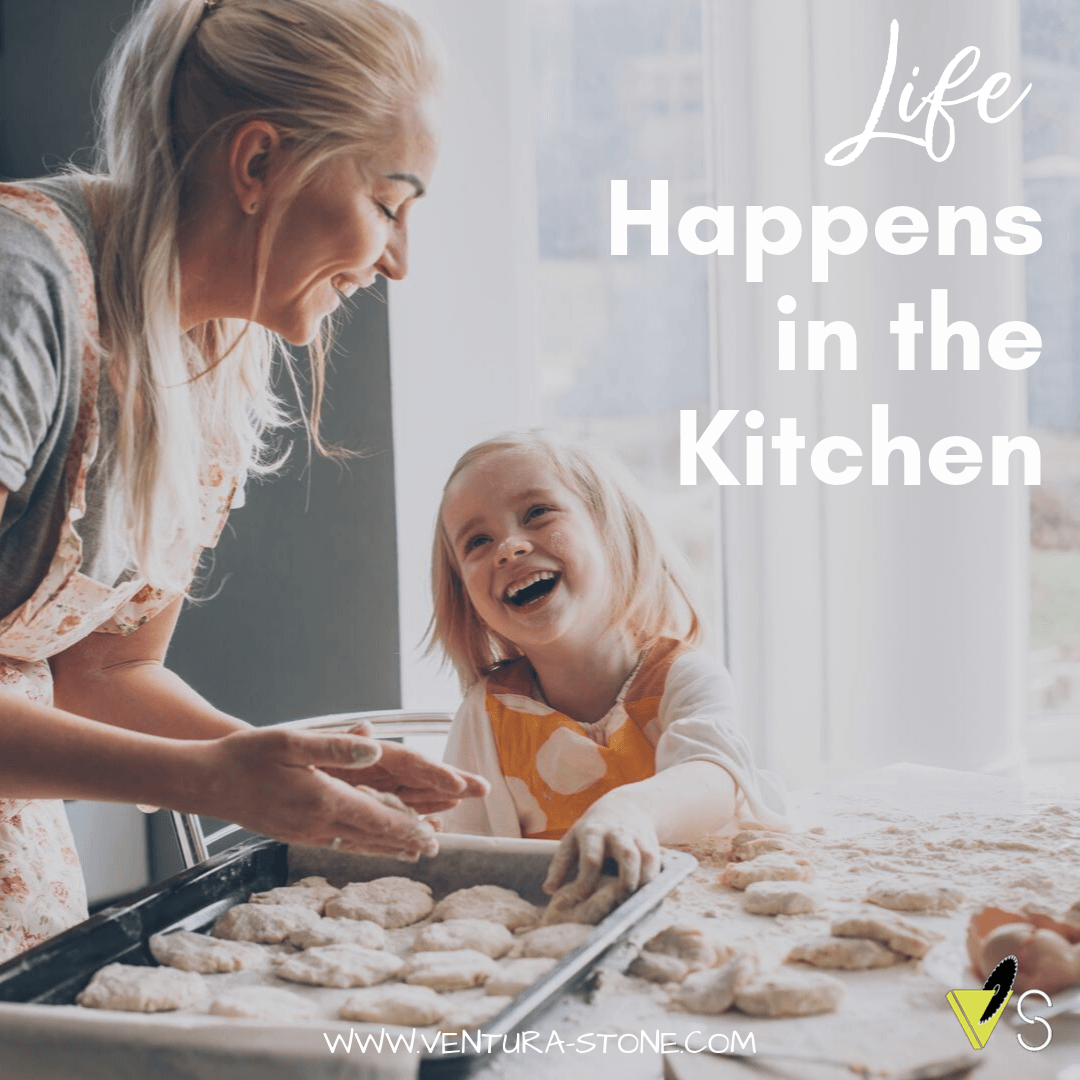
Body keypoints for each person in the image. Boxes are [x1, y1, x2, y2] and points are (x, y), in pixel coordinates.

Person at [0, 0, 486, 964]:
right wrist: (212, 783)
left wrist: (279, 773)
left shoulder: (218, 345)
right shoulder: (24, 293)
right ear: (258, 163)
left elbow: (106, 670)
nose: (399, 260)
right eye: (389, 205)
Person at [429, 432, 788, 903]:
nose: (509, 547)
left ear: (609, 528)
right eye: (478, 540)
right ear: (465, 596)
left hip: (696, 913)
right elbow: (467, 860)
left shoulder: (683, 677)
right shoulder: (485, 716)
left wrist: (630, 810)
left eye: (537, 513)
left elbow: (714, 778)